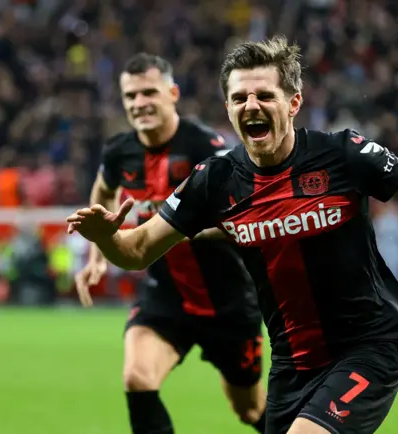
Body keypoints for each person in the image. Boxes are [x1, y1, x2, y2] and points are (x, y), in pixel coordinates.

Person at [67, 38, 398, 434]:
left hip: (367, 347)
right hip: (293, 362)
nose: (251, 107)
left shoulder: (343, 154)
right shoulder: (215, 180)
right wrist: (105, 239)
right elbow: (136, 251)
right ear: (228, 107)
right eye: (238, 99)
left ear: (293, 102)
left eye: (264, 96)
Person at [73, 53, 266, 434]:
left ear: (172, 92)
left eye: (148, 92)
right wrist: (98, 254)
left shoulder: (208, 148)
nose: (139, 103)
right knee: (138, 379)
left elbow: (243, 219)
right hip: (164, 297)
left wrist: (164, 228)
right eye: (130, 96)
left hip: (227, 300)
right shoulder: (119, 152)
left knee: (249, 410)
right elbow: (103, 191)